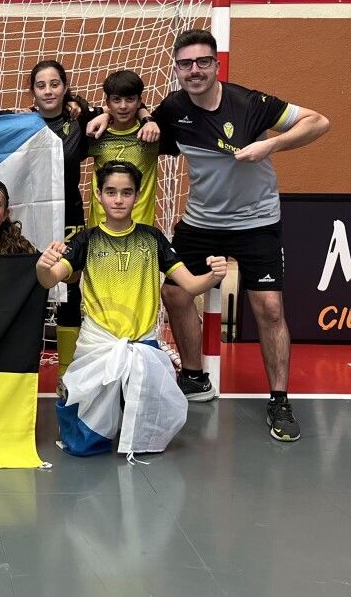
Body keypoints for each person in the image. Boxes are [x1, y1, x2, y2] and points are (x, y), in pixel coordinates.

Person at [148, 28, 330, 442]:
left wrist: (271, 146)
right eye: (186, 64)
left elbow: (319, 122)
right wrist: (105, 116)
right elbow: (139, 122)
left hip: (256, 222)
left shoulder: (250, 103)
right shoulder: (173, 108)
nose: (194, 71)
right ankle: (194, 378)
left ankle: (279, 399)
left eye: (202, 62)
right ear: (177, 69)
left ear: (216, 64)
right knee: (175, 293)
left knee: (268, 308)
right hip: (202, 221)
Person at [35, 161, 228, 456]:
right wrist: (43, 266)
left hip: (143, 343)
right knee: (84, 444)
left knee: (150, 434)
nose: (118, 199)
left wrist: (213, 276)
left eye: (126, 192)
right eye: (111, 192)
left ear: (137, 196)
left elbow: (189, 285)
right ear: (98, 194)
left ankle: (130, 408)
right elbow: (50, 279)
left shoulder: (153, 238)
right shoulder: (86, 239)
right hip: (98, 342)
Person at [28, 59, 93, 378]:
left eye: (55, 84)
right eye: (41, 85)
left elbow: (120, 109)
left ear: (65, 87)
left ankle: (67, 375)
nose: (48, 90)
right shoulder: (22, 126)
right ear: (32, 92)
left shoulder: (79, 122)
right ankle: (24, 370)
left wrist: (82, 105)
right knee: (32, 291)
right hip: (31, 220)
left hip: (70, 218)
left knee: (69, 292)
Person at [85, 70, 161, 228]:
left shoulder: (152, 134)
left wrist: (147, 118)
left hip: (141, 230)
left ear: (139, 101)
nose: (123, 106)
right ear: (108, 103)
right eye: (117, 100)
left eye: (130, 99)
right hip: (100, 230)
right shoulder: (95, 133)